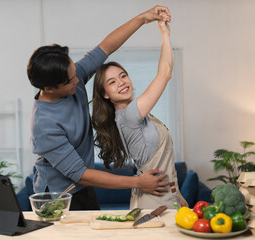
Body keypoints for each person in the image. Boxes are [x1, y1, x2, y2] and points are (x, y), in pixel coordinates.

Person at [27, 5, 172, 210]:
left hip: (83, 186)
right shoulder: (44, 127)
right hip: (59, 197)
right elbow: (80, 173)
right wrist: (137, 182)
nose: (79, 79)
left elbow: (106, 47)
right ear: (50, 88)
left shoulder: (71, 77)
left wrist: (143, 18)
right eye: (71, 80)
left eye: (75, 71)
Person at [91, 13, 188, 209]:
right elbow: (165, 73)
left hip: (166, 196)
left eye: (123, 76)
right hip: (155, 202)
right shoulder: (129, 115)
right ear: (105, 95)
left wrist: (181, 199)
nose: (121, 83)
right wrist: (165, 35)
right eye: (112, 82)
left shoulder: (135, 114)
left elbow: (165, 170)